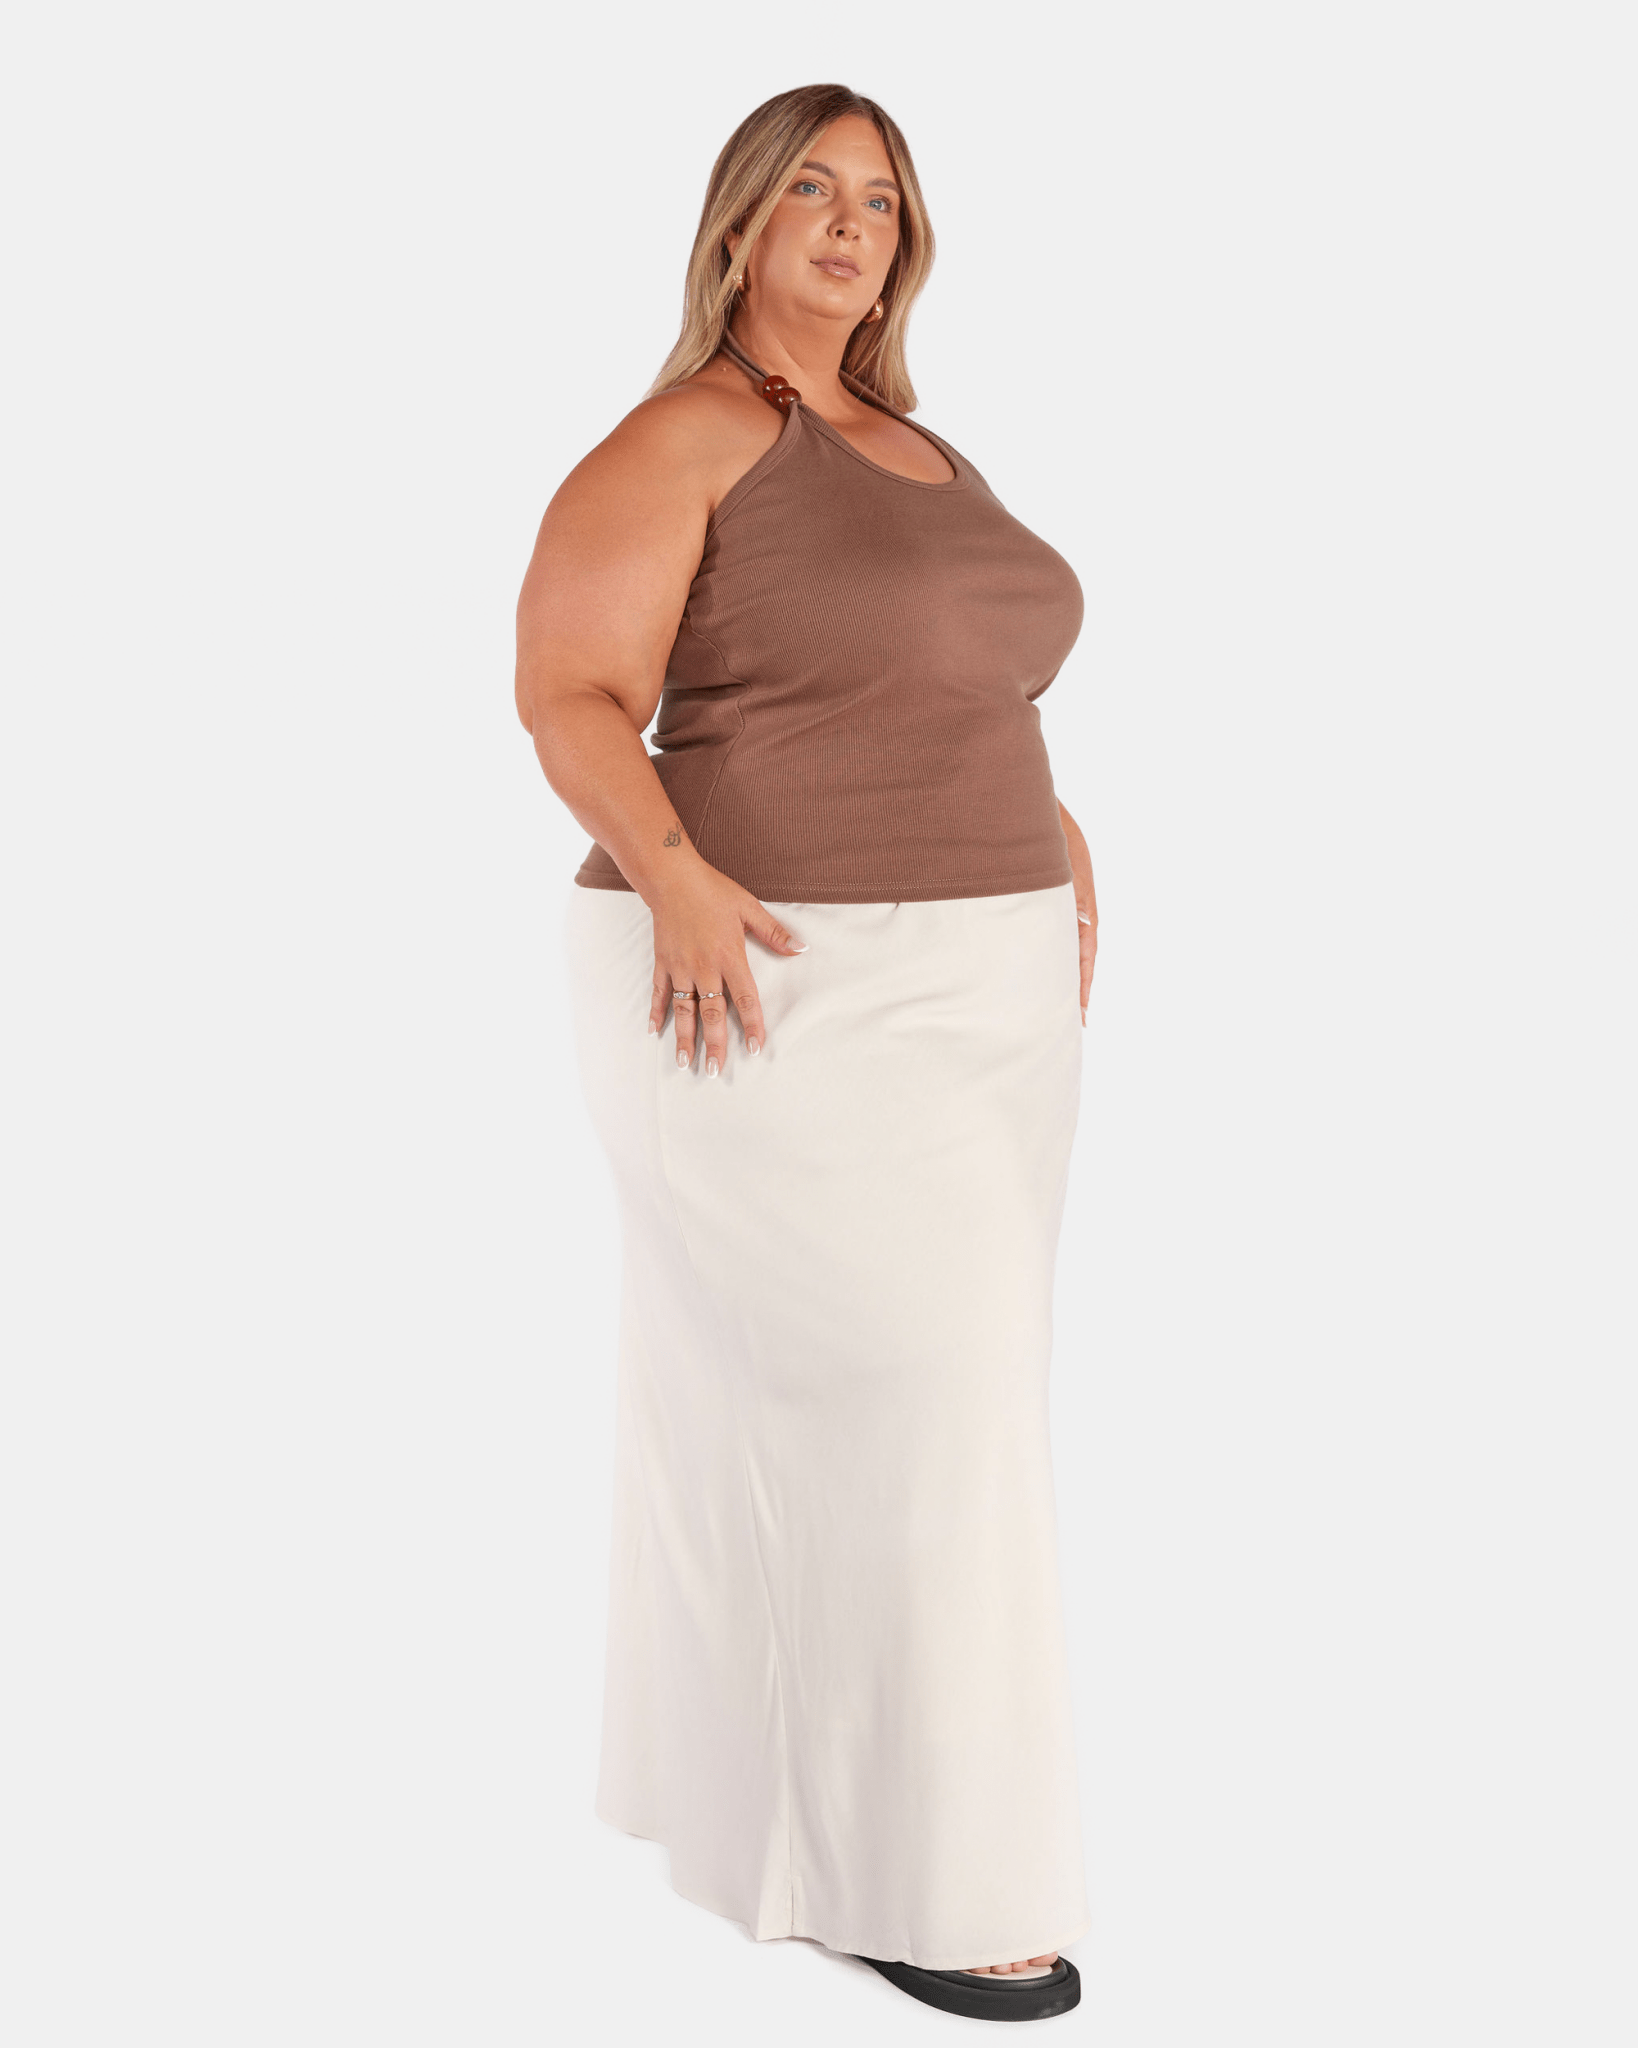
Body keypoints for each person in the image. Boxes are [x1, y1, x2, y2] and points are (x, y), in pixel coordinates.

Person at [514, 82, 1098, 2025]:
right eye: (814, 193)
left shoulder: (921, 448)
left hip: (984, 992)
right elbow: (569, 690)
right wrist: (674, 875)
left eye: (884, 200)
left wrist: (1054, 834)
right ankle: (929, 1876)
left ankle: (773, 1822)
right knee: (924, 1417)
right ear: (741, 223)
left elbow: (946, 675)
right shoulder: (689, 433)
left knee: (929, 1413)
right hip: (766, 976)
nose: (854, 226)